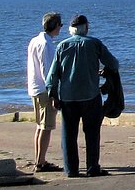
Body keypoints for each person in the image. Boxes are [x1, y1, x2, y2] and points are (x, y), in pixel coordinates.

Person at [44, 14, 119, 178]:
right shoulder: (94, 43)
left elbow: (52, 76)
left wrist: (53, 95)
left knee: (68, 135)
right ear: (86, 28)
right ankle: (92, 167)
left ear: (71, 29)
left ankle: (71, 169)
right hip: (90, 95)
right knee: (92, 133)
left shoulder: (62, 46)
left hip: (67, 97)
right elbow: (113, 63)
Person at [26, 11, 63, 173]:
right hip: (44, 90)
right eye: (60, 25)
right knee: (46, 127)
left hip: (34, 88)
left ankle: (39, 159)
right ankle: (41, 162)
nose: (60, 28)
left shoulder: (35, 40)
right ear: (55, 25)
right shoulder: (46, 44)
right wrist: (54, 93)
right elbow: (47, 71)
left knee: (40, 126)